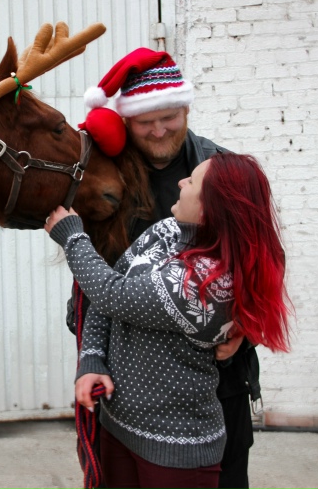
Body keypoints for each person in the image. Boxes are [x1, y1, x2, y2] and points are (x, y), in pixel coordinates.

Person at [63, 48, 264, 489]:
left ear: (186, 106)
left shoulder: (219, 170)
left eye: (168, 116)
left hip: (216, 387)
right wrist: (91, 357)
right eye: (143, 121)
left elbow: (262, 259)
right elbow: (95, 280)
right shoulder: (107, 180)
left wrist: (246, 321)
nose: (157, 130)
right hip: (128, 389)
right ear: (125, 121)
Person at [46, 152, 292, 489]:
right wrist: (91, 359)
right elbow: (108, 292)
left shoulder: (207, 284)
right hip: (118, 427)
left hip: (175, 451)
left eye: (190, 182)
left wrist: (73, 237)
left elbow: (110, 292)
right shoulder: (167, 231)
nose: (180, 182)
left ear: (209, 209)